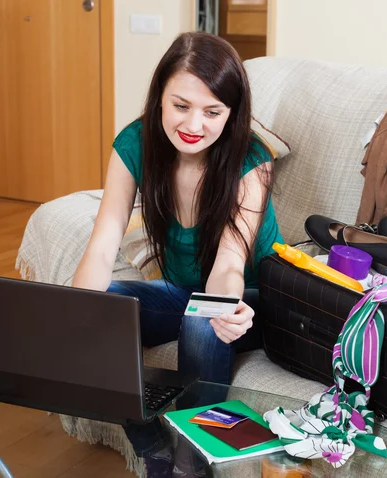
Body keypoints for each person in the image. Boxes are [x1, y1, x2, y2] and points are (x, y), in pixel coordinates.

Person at [72, 31, 283, 386]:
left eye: (212, 112)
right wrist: (75, 314)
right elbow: (103, 246)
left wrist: (222, 310)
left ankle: (191, 441)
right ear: (160, 100)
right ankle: (146, 436)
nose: (193, 126)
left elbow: (230, 265)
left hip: (246, 304)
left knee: (204, 318)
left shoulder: (251, 161)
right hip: (186, 295)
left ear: (230, 115)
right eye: (180, 106)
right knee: (103, 303)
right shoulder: (135, 144)